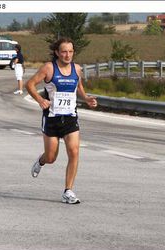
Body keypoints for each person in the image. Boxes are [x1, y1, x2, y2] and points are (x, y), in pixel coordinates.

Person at [26, 37, 97, 204]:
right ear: (57, 52)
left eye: (71, 51)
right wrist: (40, 100)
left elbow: (78, 87)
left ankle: (68, 191)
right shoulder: (49, 68)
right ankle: (41, 161)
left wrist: (86, 98)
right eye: (64, 51)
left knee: (74, 152)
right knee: (51, 157)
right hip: (51, 118)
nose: (68, 55)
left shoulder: (77, 69)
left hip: (70, 117)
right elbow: (30, 84)